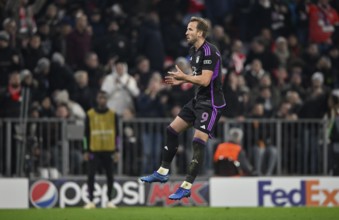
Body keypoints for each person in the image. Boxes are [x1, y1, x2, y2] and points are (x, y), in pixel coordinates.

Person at [139, 17, 226, 200]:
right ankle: (163, 172)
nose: (186, 32)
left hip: (211, 103)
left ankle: (186, 186)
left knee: (197, 142)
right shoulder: (193, 51)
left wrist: (184, 77)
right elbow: (196, 79)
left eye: (190, 29)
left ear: (200, 33)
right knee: (171, 130)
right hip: (197, 100)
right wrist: (182, 79)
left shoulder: (211, 51)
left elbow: (204, 80)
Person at [83, 90, 119, 209]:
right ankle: (91, 201)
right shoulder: (90, 114)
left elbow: (117, 134)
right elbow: (85, 134)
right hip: (94, 149)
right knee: (91, 175)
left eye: (104, 98)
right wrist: (85, 150)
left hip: (109, 149)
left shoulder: (113, 114)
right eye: (100, 97)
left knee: (110, 175)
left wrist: (117, 150)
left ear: (107, 100)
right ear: (97, 99)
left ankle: (110, 200)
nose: (102, 100)